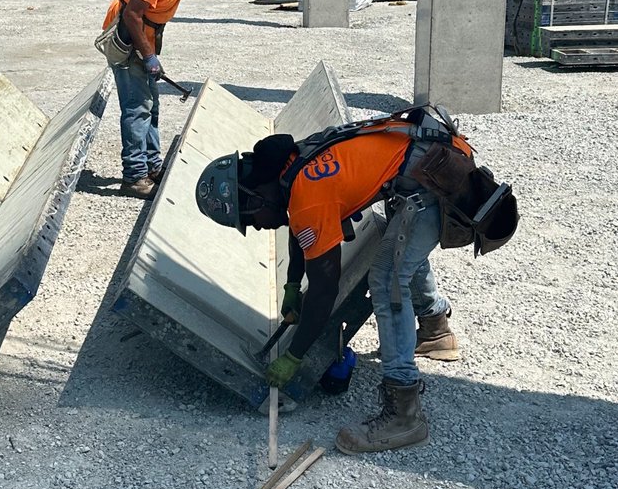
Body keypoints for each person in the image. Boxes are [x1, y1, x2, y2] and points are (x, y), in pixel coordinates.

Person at [194, 114, 472, 455]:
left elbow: (326, 288)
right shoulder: (293, 165)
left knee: (386, 280)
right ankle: (436, 330)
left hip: (441, 179)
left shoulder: (308, 197)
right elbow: (299, 228)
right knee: (399, 247)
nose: (257, 227)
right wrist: (293, 285)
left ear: (254, 198)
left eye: (250, 221)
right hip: (432, 160)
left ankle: (404, 413)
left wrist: (295, 356)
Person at [99, 0, 237, 197]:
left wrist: (151, 52)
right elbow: (132, 14)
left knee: (151, 105)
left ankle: (152, 166)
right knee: (137, 108)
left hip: (143, 39)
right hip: (128, 38)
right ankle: (134, 176)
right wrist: (148, 55)